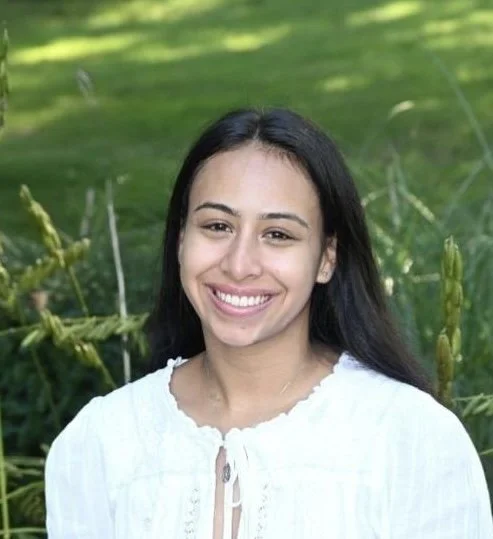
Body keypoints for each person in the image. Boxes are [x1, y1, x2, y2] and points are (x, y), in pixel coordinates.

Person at [45, 108, 493, 538]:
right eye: (217, 226)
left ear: (326, 258)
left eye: (278, 234)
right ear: (181, 240)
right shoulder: (100, 443)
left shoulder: (412, 441)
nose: (240, 265)